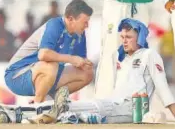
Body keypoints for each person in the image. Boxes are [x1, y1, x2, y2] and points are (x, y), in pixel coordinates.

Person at [26, 18, 175, 124]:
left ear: (140, 37)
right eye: (122, 37)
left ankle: (50, 108)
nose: (124, 40)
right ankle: (28, 110)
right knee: (87, 108)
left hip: (132, 109)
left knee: (88, 108)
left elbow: (164, 90)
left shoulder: (150, 55)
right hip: (112, 104)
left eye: (129, 37)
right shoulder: (118, 56)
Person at [4, 0, 94, 103]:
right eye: (85, 22)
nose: (87, 25)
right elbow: (43, 54)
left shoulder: (79, 33)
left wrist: (85, 63)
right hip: (16, 75)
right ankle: (38, 107)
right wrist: (72, 59)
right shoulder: (55, 25)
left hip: (47, 73)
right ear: (70, 19)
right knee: (51, 66)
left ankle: (50, 101)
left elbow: (80, 61)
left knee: (87, 73)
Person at [95, 0, 153, 98]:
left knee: (139, 54)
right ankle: (105, 100)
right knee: (111, 54)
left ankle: (134, 102)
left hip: (142, 4)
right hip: (117, 5)